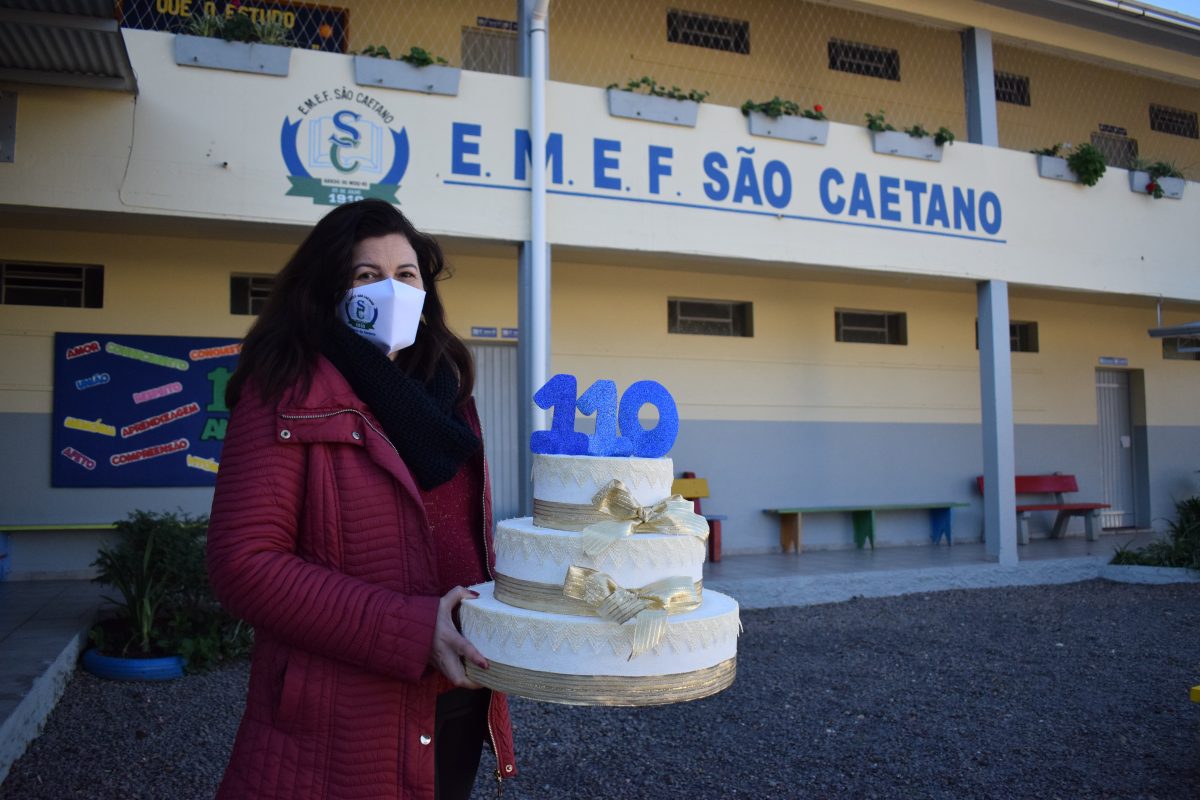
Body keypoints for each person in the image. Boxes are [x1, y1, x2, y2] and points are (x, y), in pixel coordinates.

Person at [207, 199, 515, 800]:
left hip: (458, 697)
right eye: (366, 275)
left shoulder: (448, 397)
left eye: (406, 275)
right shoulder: (286, 391)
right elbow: (242, 565)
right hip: (340, 716)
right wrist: (410, 628)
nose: (392, 290)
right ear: (327, 289)